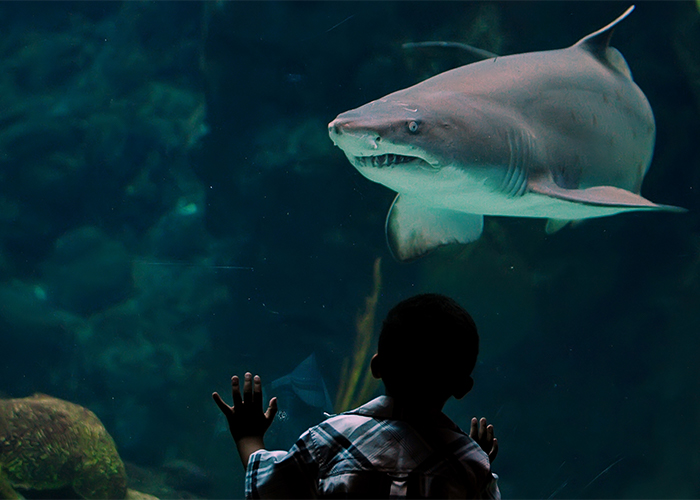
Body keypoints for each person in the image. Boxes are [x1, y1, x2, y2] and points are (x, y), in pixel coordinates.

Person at [213, 293, 500, 498]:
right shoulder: (471, 466)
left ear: (376, 366)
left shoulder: (328, 440)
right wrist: (473, 457)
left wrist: (248, 436)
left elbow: (271, 490)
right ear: (462, 388)